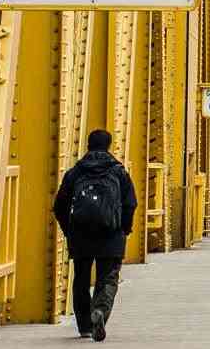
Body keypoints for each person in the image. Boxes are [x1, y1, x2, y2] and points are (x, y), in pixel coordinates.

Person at [53, 129, 138, 342]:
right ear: (109, 145)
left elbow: (59, 205)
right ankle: (99, 310)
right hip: (111, 234)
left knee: (81, 278)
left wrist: (69, 229)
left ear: (88, 145)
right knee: (108, 277)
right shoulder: (118, 172)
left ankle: (84, 326)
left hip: (80, 235)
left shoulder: (75, 172)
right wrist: (124, 228)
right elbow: (130, 203)